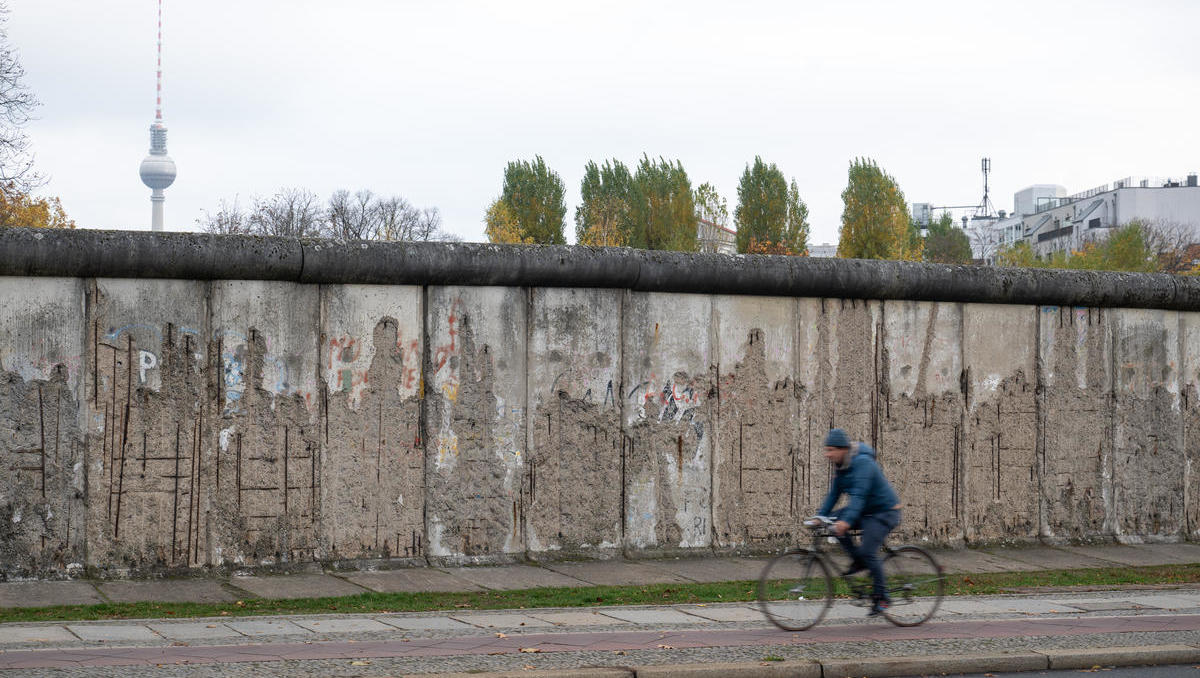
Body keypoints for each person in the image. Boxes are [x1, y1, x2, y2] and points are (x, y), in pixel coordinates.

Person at [815, 427, 902, 617]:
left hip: (884, 512)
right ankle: (859, 561)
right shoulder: (841, 467)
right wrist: (820, 517)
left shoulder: (863, 463)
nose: (827, 454)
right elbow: (833, 495)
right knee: (833, 523)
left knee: (868, 551)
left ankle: (883, 597)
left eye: (830, 450)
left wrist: (846, 522)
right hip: (865, 511)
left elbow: (859, 497)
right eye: (826, 449)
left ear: (842, 449)